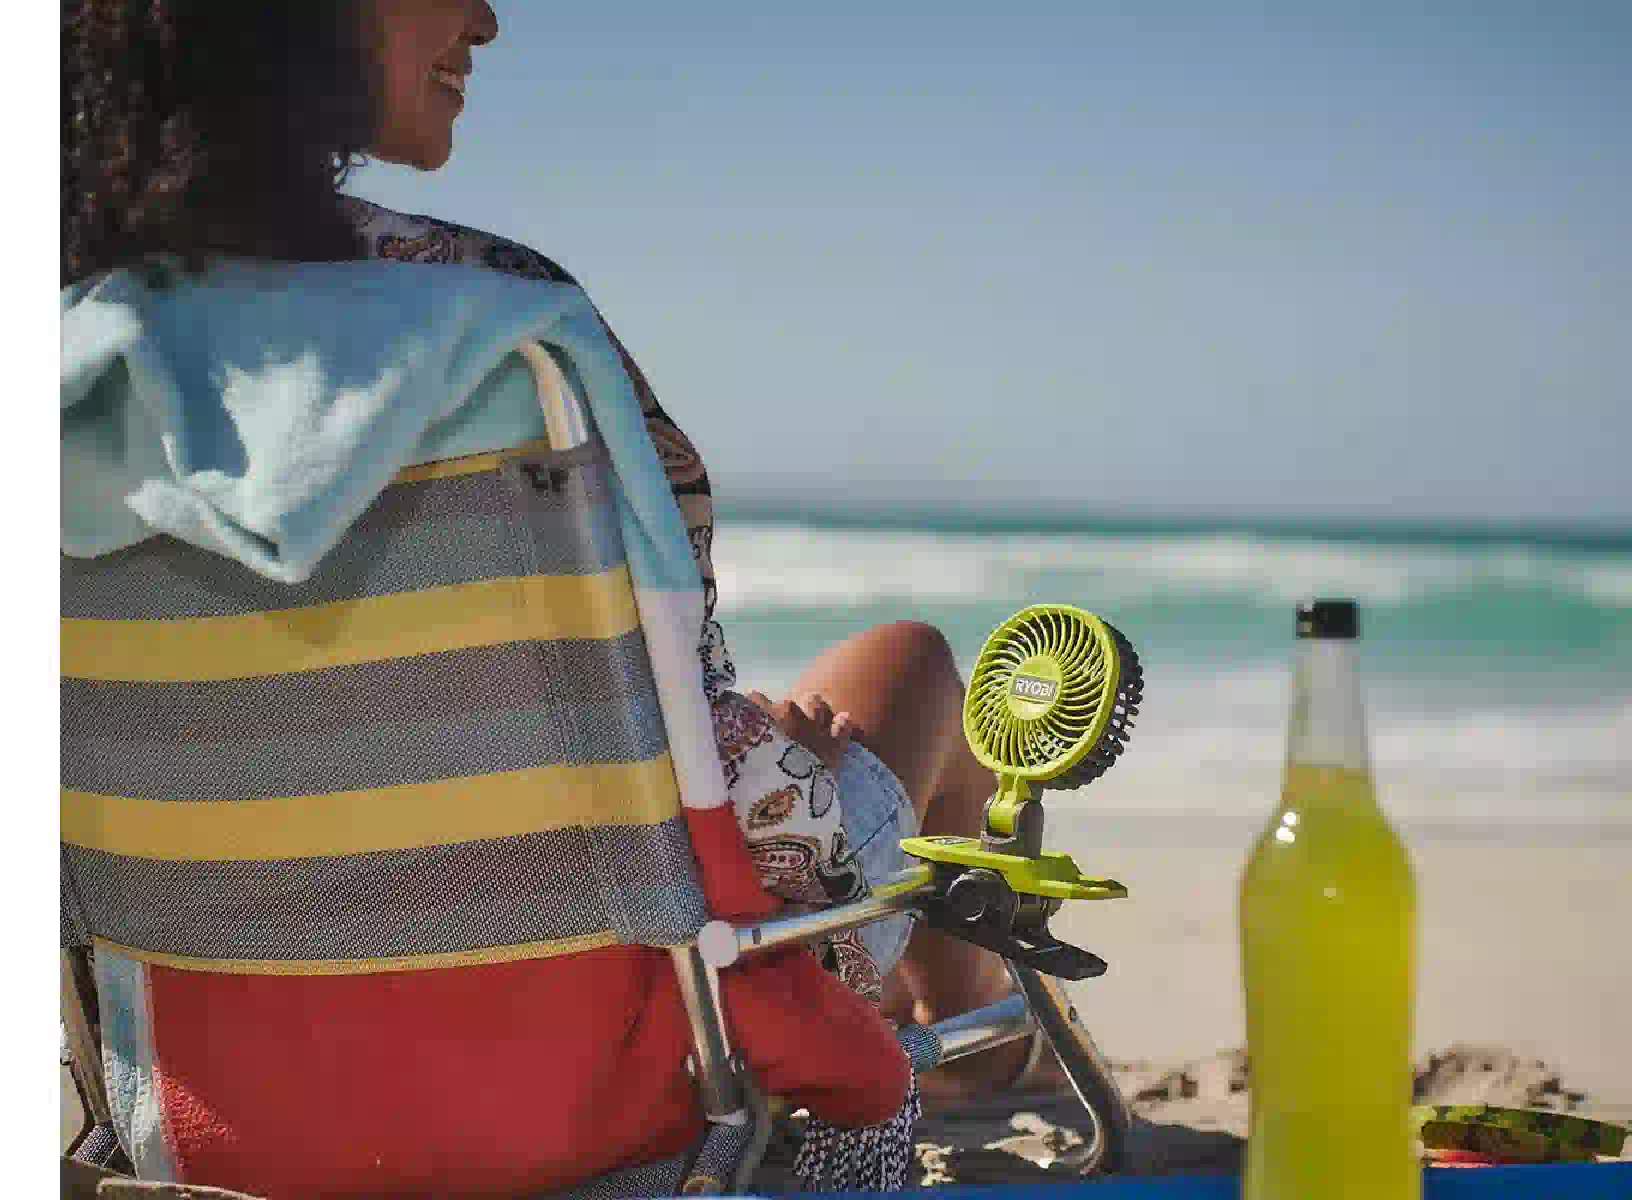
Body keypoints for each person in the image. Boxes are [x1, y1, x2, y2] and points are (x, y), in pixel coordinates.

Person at [61, 0, 1055, 1187]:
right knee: (910, 666)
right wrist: (778, 757)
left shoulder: (59, 359)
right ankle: (978, 1047)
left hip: (203, 1112)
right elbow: (671, 707)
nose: (484, 20)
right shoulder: (494, 333)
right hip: (608, 1092)